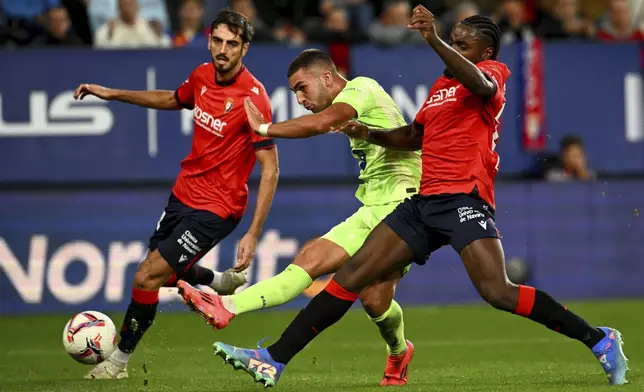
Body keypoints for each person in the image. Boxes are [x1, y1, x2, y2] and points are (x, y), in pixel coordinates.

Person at [209, 7, 629, 387]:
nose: (457, 48)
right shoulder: (441, 88)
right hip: (424, 203)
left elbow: (480, 83)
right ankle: (273, 359)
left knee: (497, 292)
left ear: (485, 50)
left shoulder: (492, 73)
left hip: (466, 198)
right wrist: (369, 134)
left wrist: (434, 39)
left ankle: (599, 339)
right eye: (454, 41)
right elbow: (413, 136)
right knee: (352, 277)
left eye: (464, 44)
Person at [177, 48, 421, 386]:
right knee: (372, 298)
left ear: (326, 77)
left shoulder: (361, 88)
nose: (300, 98)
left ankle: (230, 307)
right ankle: (398, 351)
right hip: (375, 207)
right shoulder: (351, 111)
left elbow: (321, 123)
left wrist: (263, 127)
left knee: (333, 273)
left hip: (403, 206)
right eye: (294, 92)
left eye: (302, 87)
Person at [73, 8, 280, 380]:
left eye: (232, 44)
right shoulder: (202, 76)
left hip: (218, 207)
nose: (222, 49)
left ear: (244, 49)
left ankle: (118, 362)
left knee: (146, 276)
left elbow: (271, 168)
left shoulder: (254, 98)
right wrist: (113, 93)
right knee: (162, 276)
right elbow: (173, 99)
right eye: (217, 41)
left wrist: (252, 233)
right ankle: (218, 281)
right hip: (183, 194)